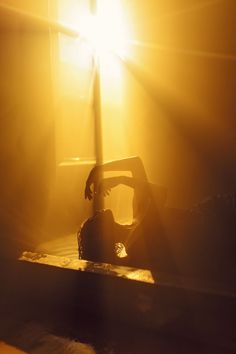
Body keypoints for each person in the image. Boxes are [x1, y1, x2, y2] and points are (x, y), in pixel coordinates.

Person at [78, 156, 175, 272]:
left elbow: (135, 163)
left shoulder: (135, 221)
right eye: (94, 219)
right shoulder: (137, 242)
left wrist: (98, 169)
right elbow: (160, 193)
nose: (97, 212)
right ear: (102, 235)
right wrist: (121, 180)